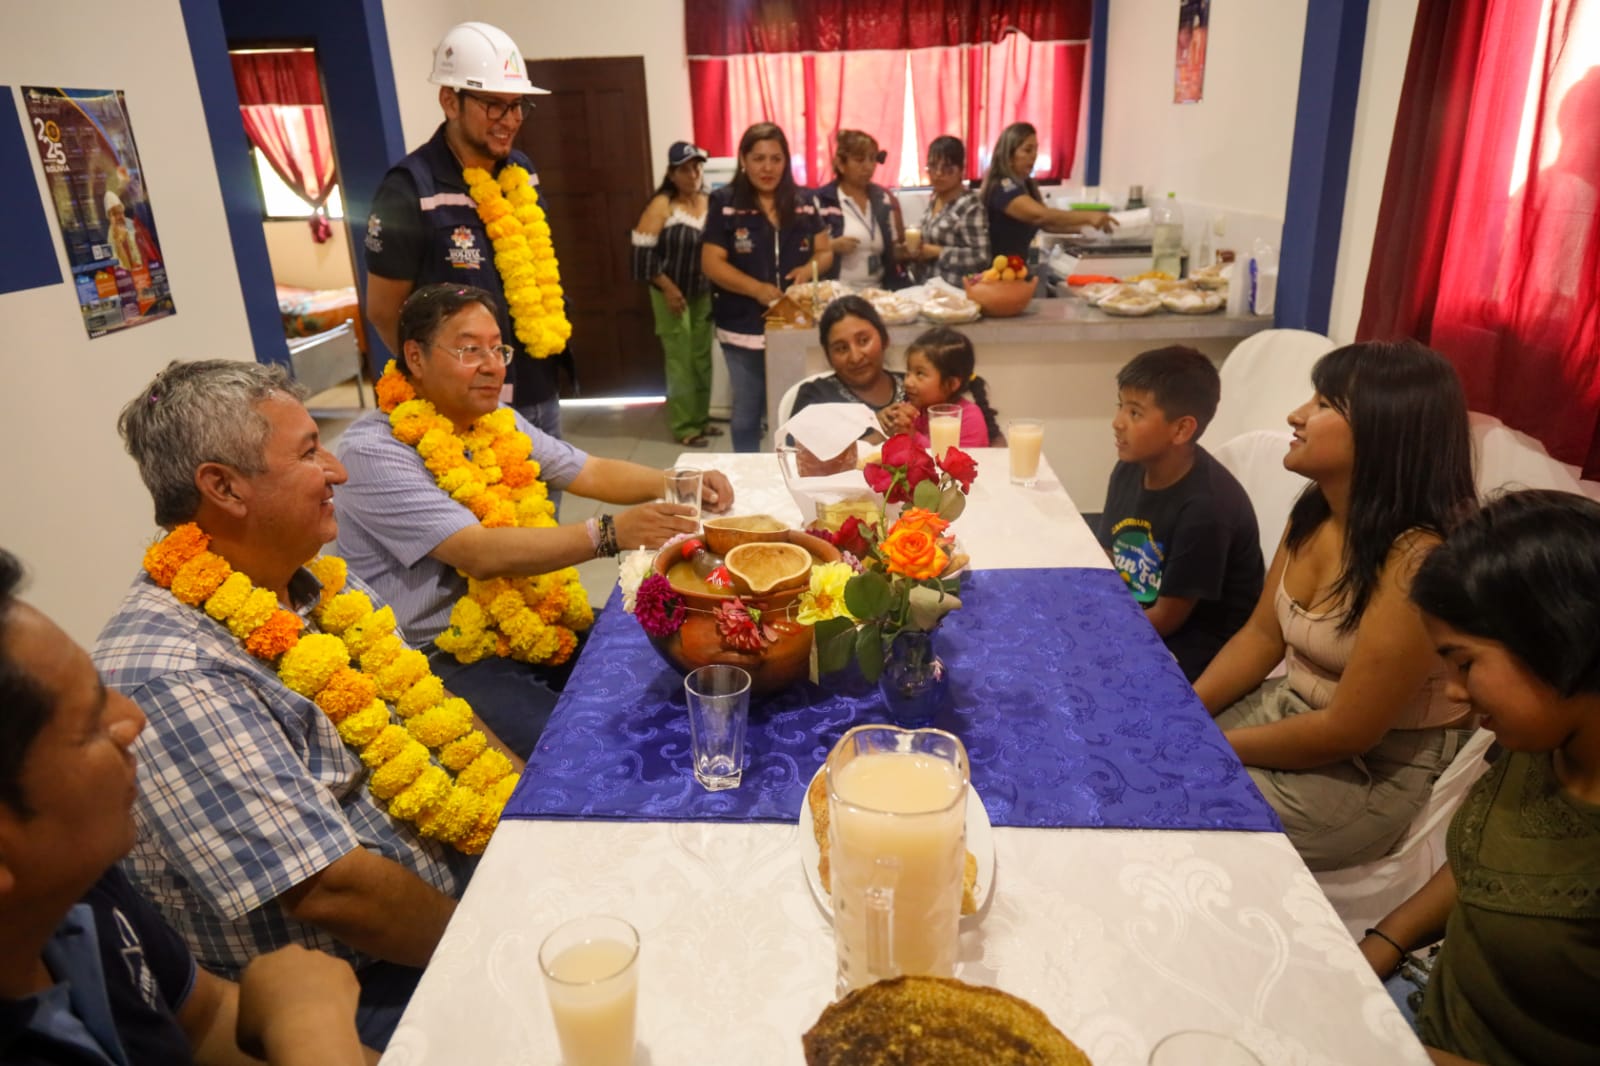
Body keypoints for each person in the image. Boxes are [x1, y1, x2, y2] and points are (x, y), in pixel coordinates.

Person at [93, 360, 502, 1050]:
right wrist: (494, 943)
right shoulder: (171, 673)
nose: (336, 470)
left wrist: (525, 820)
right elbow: (335, 892)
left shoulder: (314, 582)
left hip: (461, 894)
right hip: (365, 983)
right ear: (224, 488)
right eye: (311, 451)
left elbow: (444, 719)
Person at [0, 549, 374, 1066]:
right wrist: (311, 1030)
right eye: (88, 725)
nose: (133, 718)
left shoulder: (81, 886)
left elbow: (205, 1017)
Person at [335, 284, 734, 755]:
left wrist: (678, 480)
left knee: (667, 667)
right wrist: (609, 533)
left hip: (528, 620)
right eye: (469, 349)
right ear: (415, 357)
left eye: (497, 349)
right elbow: (477, 553)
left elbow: (587, 470)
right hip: (443, 655)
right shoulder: (374, 451)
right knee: (579, 750)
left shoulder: (494, 420)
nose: (492, 365)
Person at [1193, 340, 1478, 871]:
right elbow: (1259, 637)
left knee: (1177, 793)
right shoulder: (1315, 512)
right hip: (1291, 711)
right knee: (1143, 748)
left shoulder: (1417, 558)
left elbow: (1348, 732)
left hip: (1371, 770)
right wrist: (1184, 714)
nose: (1296, 415)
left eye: (1323, 404)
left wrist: (1206, 746)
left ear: (1384, 429)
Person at [1359, 490, 1600, 1066]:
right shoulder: (1540, 740)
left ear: (1558, 635)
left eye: (1464, 663)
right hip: (1425, 1007)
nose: (1454, 691)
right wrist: (1385, 941)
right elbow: (1488, 866)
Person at [363, 21, 571, 441]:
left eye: (517, 106)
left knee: (550, 486)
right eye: (494, 104)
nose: (509, 120)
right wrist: (438, 385)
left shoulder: (522, 171)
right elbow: (384, 311)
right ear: (449, 101)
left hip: (539, 385)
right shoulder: (409, 189)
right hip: (464, 407)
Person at [1096, 346, 1264, 681]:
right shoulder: (1129, 468)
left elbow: (1167, 618)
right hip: (1140, 614)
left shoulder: (1206, 508)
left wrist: (1098, 631)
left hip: (1198, 645)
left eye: (1135, 413)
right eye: (1120, 406)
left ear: (1182, 429)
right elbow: (1107, 557)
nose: (1117, 423)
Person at [702, 122, 834, 452]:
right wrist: (756, 289)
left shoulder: (805, 201)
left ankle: (793, 472)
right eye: (758, 158)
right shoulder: (725, 202)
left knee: (794, 412)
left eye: (776, 159)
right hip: (742, 325)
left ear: (786, 161)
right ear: (743, 160)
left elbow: (824, 251)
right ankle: (746, 474)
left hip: (795, 324)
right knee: (747, 414)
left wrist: (807, 270)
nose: (767, 168)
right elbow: (712, 263)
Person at [631, 141, 719, 449]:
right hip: (669, 292)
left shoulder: (710, 202)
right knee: (680, 360)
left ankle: (701, 418)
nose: (693, 174)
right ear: (671, 173)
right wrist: (669, 289)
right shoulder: (662, 205)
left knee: (702, 359)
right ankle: (685, 426)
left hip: (702, 292)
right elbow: (641, 255)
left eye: (697, 167)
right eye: (685, 169)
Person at [980, 122, 1115, 263]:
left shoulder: (1026, 184)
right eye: (1027, 150)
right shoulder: (1002, 187)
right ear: (1009, 155)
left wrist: (1087, 229)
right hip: (998, 269)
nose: (1033, 156)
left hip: (1017, 266)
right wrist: (1088, 217)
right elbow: (1040, 216)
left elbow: (1048, 224)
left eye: (1036, 150)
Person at [792, 295, 912, 433]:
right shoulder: (816, 397)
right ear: (828, 355)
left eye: (863, 341)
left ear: (885, 339)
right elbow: (794, 446)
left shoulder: (915, 389)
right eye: (841, 348)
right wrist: (878, 435)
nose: (855, 358)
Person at [815, 130, 906, 290]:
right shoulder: (822, 200)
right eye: (860, 160)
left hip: (880, 291)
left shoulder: (882, 198)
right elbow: (803, 250)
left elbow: (893, 249)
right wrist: (831, 246)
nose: (868, 167)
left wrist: (909, 251)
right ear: (841, 165)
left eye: (872, 159)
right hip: (838, 292)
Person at [887, 327, 999, 449]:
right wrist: (888, 424)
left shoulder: (970, 418)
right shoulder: (915, 411)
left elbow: (953, 458)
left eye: (920, 373)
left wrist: (913, 435)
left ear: (951, 384)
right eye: (908, 372)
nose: (908, 382)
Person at [904, 135, 990, 288]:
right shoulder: (935, 198)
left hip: (955, 291)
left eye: (947, 168)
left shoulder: (970, 206)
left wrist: (939, 252)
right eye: (932, 167)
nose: (938, 174)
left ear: (961, 170)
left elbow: (981, 257)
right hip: (927, 287)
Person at [103, 190, 142, 272]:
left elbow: (139, 250)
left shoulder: (131, 224)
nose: (119, 217)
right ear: (109, 218)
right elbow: (114, 261)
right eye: (114, 214)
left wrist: (138, 265)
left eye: (120, 213)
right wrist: (118, 243)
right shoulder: (110, 234)